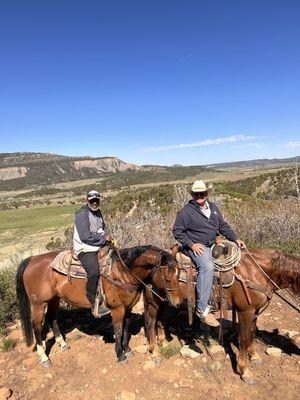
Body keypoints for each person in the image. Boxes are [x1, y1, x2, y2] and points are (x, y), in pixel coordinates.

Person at [173, 180, 246, 327]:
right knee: (207, 267)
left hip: (213, 243)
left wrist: (235, 238)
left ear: (206, 194)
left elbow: (222, 226)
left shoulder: (212, 207)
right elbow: (177, 231)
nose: (199, 196)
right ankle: (202, 308)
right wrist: (191, 244)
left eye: (202, 193)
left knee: (237, 257)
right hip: (198, 246)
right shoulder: (186, 212)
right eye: (196, 194)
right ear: (192, 195)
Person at [73, 189, 111, 317]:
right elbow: (85, 236)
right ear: (87, 200)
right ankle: (93, 302)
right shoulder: (81, 214)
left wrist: (106, 235)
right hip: (85, 248)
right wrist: (102, 239)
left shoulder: (97, 212)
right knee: (94, 271)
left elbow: (102, 227)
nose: (95, 203)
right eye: (92, 200)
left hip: (97, 244)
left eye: (97, 200)